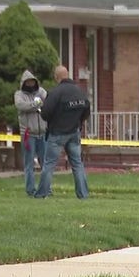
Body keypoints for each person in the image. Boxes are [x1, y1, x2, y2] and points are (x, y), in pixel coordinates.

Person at [36, 66, 90, 199]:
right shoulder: (80, 91)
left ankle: (42, 193)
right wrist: (78, 123)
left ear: (56, 77)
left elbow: (45, 113)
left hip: (57, 133)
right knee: (77, 164)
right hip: (74, 133)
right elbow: (86, 110)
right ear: (68, 75)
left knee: (49, 164)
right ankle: (83, 194)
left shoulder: (56, 92)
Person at [14, 70, 48, 196]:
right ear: (24, 83)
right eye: (28, 82)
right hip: (28, 135)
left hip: (42, 133)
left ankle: (46, 189)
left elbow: (48, 100)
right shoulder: (19, 94)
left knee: (45, 163)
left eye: (32, 81)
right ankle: (30, 190)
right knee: (29, 164)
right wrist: (36, 104)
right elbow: (21, 106)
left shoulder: (41, 91)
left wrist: (36, 105)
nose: (30, 84)